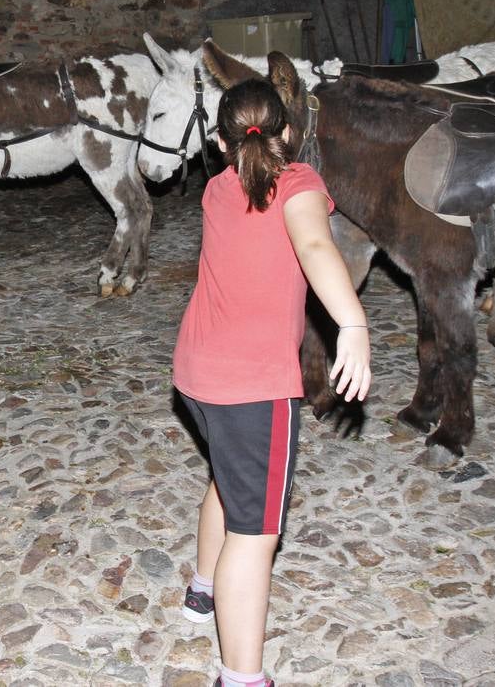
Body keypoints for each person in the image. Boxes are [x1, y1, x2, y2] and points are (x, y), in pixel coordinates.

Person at [171, 78, 372, 687]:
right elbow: (313, 243)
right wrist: (352, 324)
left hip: (195, 372)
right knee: (255, 537)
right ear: (289, 131)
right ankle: (241, 676)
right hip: (250, 383)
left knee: (226, 476)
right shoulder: (301, 182)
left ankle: (201, 591)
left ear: (220, 143)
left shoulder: (215, 187)